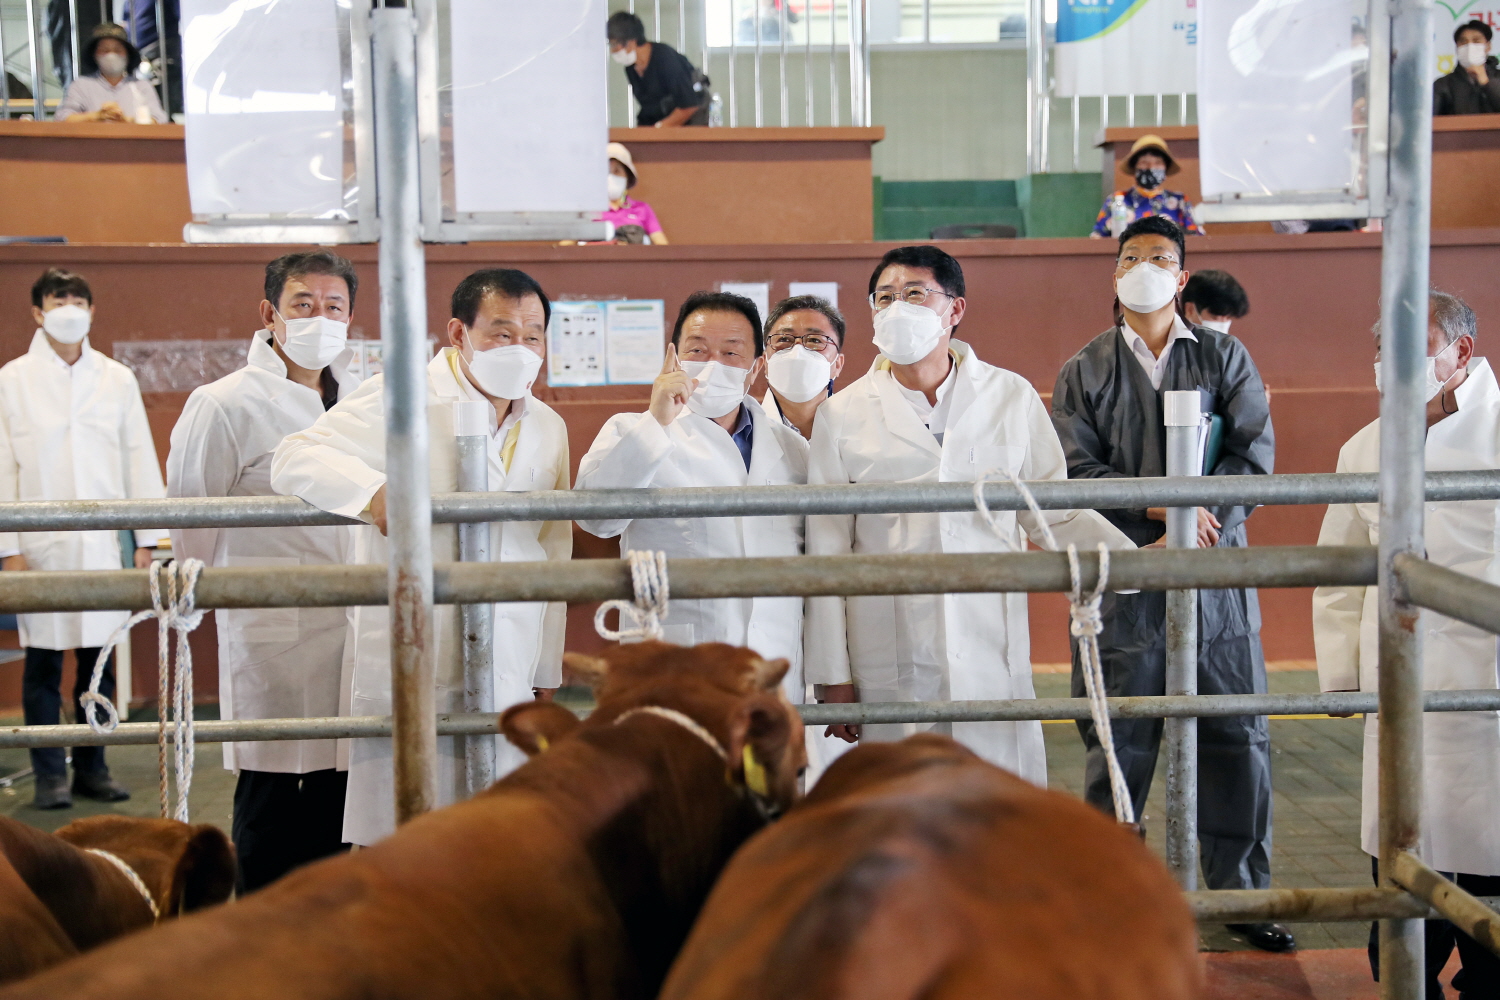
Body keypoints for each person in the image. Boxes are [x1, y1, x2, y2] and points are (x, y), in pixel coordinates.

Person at [804, 245, 1133, 780]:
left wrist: (1137, 565)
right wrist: (832, 674)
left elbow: (1054, 510)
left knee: (996, 811)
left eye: (915, 294)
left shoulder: (1010, 397)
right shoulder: (840, 414)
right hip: (887, 649)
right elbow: (826, 549)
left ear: (954, 310)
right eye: (884, 298)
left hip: (989, 645)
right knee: (901, 814)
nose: (896, 308)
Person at [272, 268, 572, 847]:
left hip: (509, 650)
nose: (519, 349)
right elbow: (297, 455)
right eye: (501, 333)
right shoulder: (403, 397)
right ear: (459, 333)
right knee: (403, 839)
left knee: (495, 835)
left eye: (532, 335)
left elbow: (551, 547)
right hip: (419, 647)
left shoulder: (548, 425)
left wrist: (546, 667)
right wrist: (376, 494)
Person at [1050, 216, 1285, 951]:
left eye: (1159, 257)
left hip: (1215, 587)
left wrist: (1205, 509)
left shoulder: (1223, 356)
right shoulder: (1082, 369)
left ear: (1182, 278)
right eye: (1131, 257)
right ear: (1113, 274)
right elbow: (1073, 470)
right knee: (1116, 744)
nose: (1143, 267)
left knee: (1234, 738)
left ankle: (1242, 897)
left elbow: (1253, 456)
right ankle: (1107, 894)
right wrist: (1157, 505)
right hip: (1122, 579)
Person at [1314, 290, 1500, 998]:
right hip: (1400, 699)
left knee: (1490, 898)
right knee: (1399, 908)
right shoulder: (1366, 444)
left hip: (1487, 698)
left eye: (1414, 346)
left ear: (1461, 353)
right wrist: (1341, 681)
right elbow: (1336, 571)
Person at [575, 292, 838, 769]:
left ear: (755, 367)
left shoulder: (791, 449)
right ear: (672, 355)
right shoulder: (631, 429)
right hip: (678, 660)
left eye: (731, 352)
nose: (713, 364)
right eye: (697, 349)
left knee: (766, 810)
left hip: (774, 662)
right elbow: (597, 517)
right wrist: (657, 420)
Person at [167, 250, 361, 891]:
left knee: (346, 807)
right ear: (270, 313)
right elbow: (193, 517)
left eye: (334, 307)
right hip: (273, 631)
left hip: (356, 629)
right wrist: (192, 603)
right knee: (273, 809)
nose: (319, 318)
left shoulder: (360, 400)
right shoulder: (223, 403)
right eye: (303, 304)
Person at [0, 268, 166, 809]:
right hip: (38, 547)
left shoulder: (116, 378)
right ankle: (49, 774)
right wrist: (10, 548)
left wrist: (149, 538)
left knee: (99, 664)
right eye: (58, 299)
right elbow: (3, 467)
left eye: (77, 299)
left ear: (92, 311)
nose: (69, 307)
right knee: (43, 664)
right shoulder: (12, 379)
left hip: (101, 545)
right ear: (38, 312)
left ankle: (93, 767)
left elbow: (138, 458)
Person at [761, 294, 846, 439]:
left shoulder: (864, 428)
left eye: (814, 340)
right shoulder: (742, 432)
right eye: (784, 339)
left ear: (837, 364)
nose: (797, 351)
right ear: (765, 362)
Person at [607, 11, 709, 127]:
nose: (612, 51)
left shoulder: (664, 58)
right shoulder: (630, 67)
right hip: (658, 123)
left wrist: (659, 129)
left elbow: (689, 106)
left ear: (630, 42)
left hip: (689, 126)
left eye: (614, 45)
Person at [1091, 135, 1204, 239]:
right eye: (1144, 162)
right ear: (1135, 167)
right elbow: (1097, 239)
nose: (1151, 167)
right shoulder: (1118, 200)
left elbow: (1197, 239)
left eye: (1158, 162)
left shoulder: (1180, 201)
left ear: (1165, 167)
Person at [55, 22, 166, 124]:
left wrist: (126, 120)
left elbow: (158, 119)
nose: (111, 55)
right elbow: (63, 118)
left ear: (128, 55)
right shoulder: (81, 85)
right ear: (94, 55)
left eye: (117, 50)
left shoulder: (141, 86)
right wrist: (97, 116)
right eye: (104, 50)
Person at [601, 142, 669, 245]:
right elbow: (568, 246)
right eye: (606, 172)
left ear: (627, 177)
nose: (610, 178)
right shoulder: (586, 211)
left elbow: (662, 245)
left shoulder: (643, 208)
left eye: (617, 171)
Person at [1435, 20, 1500, 116]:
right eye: (1463, 42)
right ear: (1457, 48)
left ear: (1488, 47)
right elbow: (1429, 120)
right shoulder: (1443, 84)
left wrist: (1486, 83)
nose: (1469, 46)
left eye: (1476, 41)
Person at [1182, 269, 1250, 334]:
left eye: (1228, 318)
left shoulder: (1231, 345)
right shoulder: (1172, 343)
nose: (1223, 324)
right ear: (1190, 310)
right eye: (1215, 317)